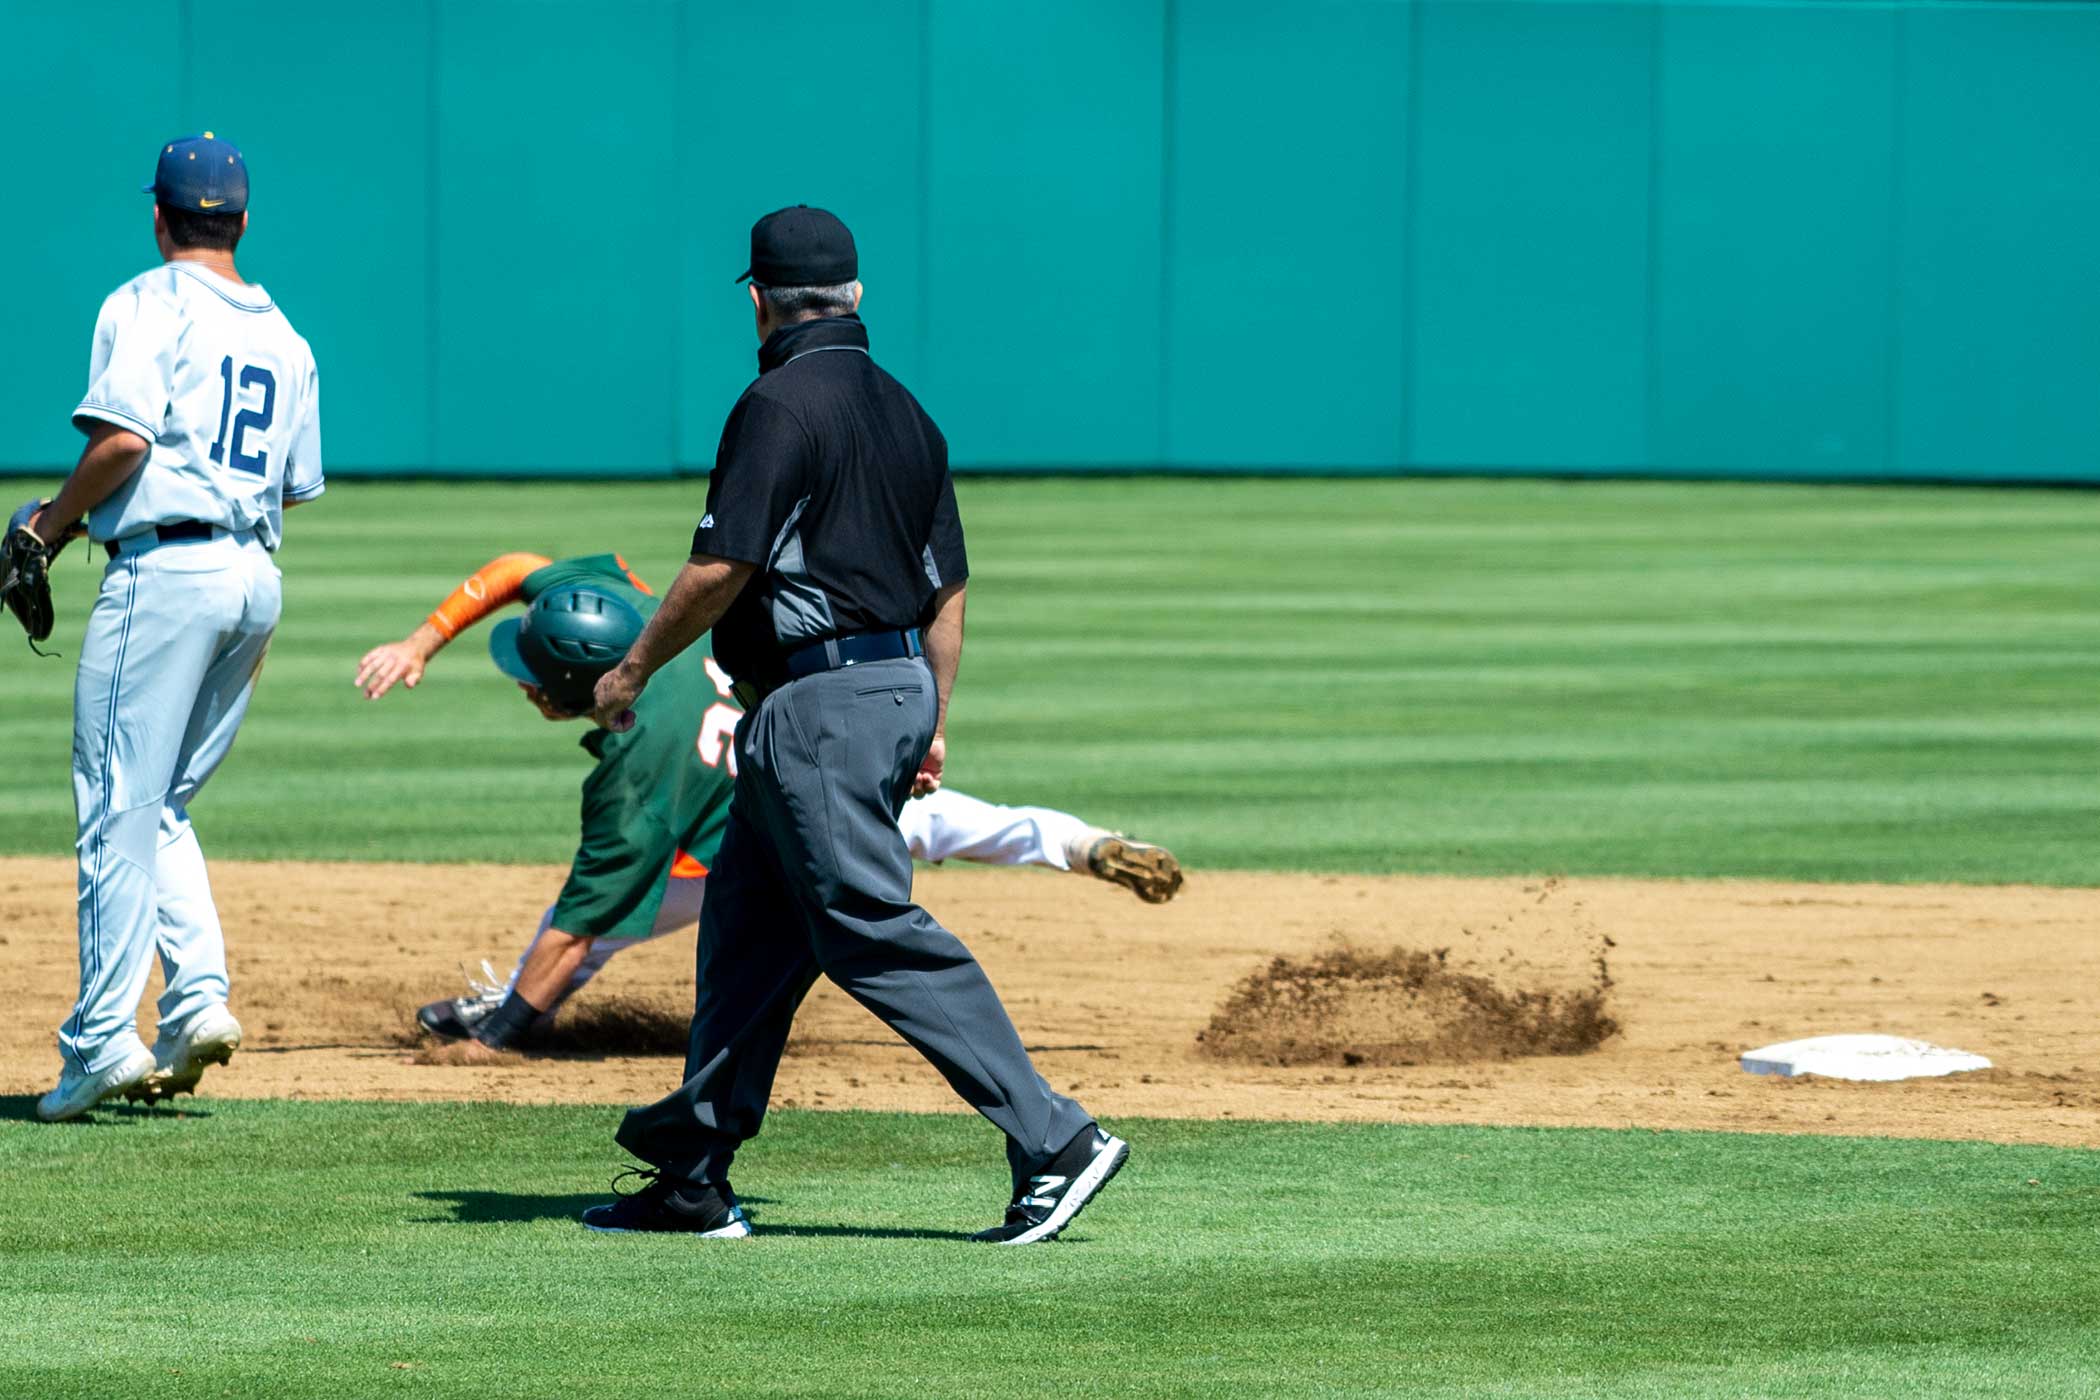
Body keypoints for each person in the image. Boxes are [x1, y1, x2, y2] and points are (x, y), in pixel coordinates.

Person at [581, 206, 1126, 1244]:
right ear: (856, 295)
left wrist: (633, 668)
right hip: (885, 690)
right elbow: (947, 588)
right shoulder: (909, 413)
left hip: (818, 710)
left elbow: (721, 565)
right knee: (745, 942)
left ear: (759, 301)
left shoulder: (775, 405)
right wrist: (932, 718)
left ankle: (1056, 1137)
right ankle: (693, 1175)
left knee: (867, 925)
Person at [351, 550, 1184, 1049]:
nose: (527, 687)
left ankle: (505, 1007)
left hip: (735, 838)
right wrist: (423, 641)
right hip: (810, 762)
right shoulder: (635, 612)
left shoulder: (633, 778)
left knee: (595, 924)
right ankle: (1079, 844)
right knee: (928, 819)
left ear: (574, 684)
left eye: (535, 678)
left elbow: (581, 923)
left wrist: (500, 1042)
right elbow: (515, 570)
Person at [26, 133, 325, 1122]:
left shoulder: (147, 300)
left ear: (160, 216)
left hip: (167, 574)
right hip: (253, 577)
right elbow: (294, 486)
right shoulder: (288, 336)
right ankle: (196, 1000)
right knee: (160, 805)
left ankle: (99, 1040)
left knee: (117, 800)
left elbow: (123, 440)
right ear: (241, 221)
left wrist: (49, 524)